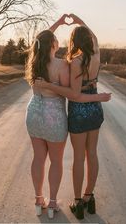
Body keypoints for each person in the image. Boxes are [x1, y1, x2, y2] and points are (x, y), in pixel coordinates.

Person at [25, 15, 111, 219]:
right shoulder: (86, 58)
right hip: (82, 110)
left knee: (48, 158)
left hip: (44, 112)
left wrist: (60, 22)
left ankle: (49, 200)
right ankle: (80, 198)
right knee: (89, 154)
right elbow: (73, 93)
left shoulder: (36, 62)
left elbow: (43, 38)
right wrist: (79, 20)